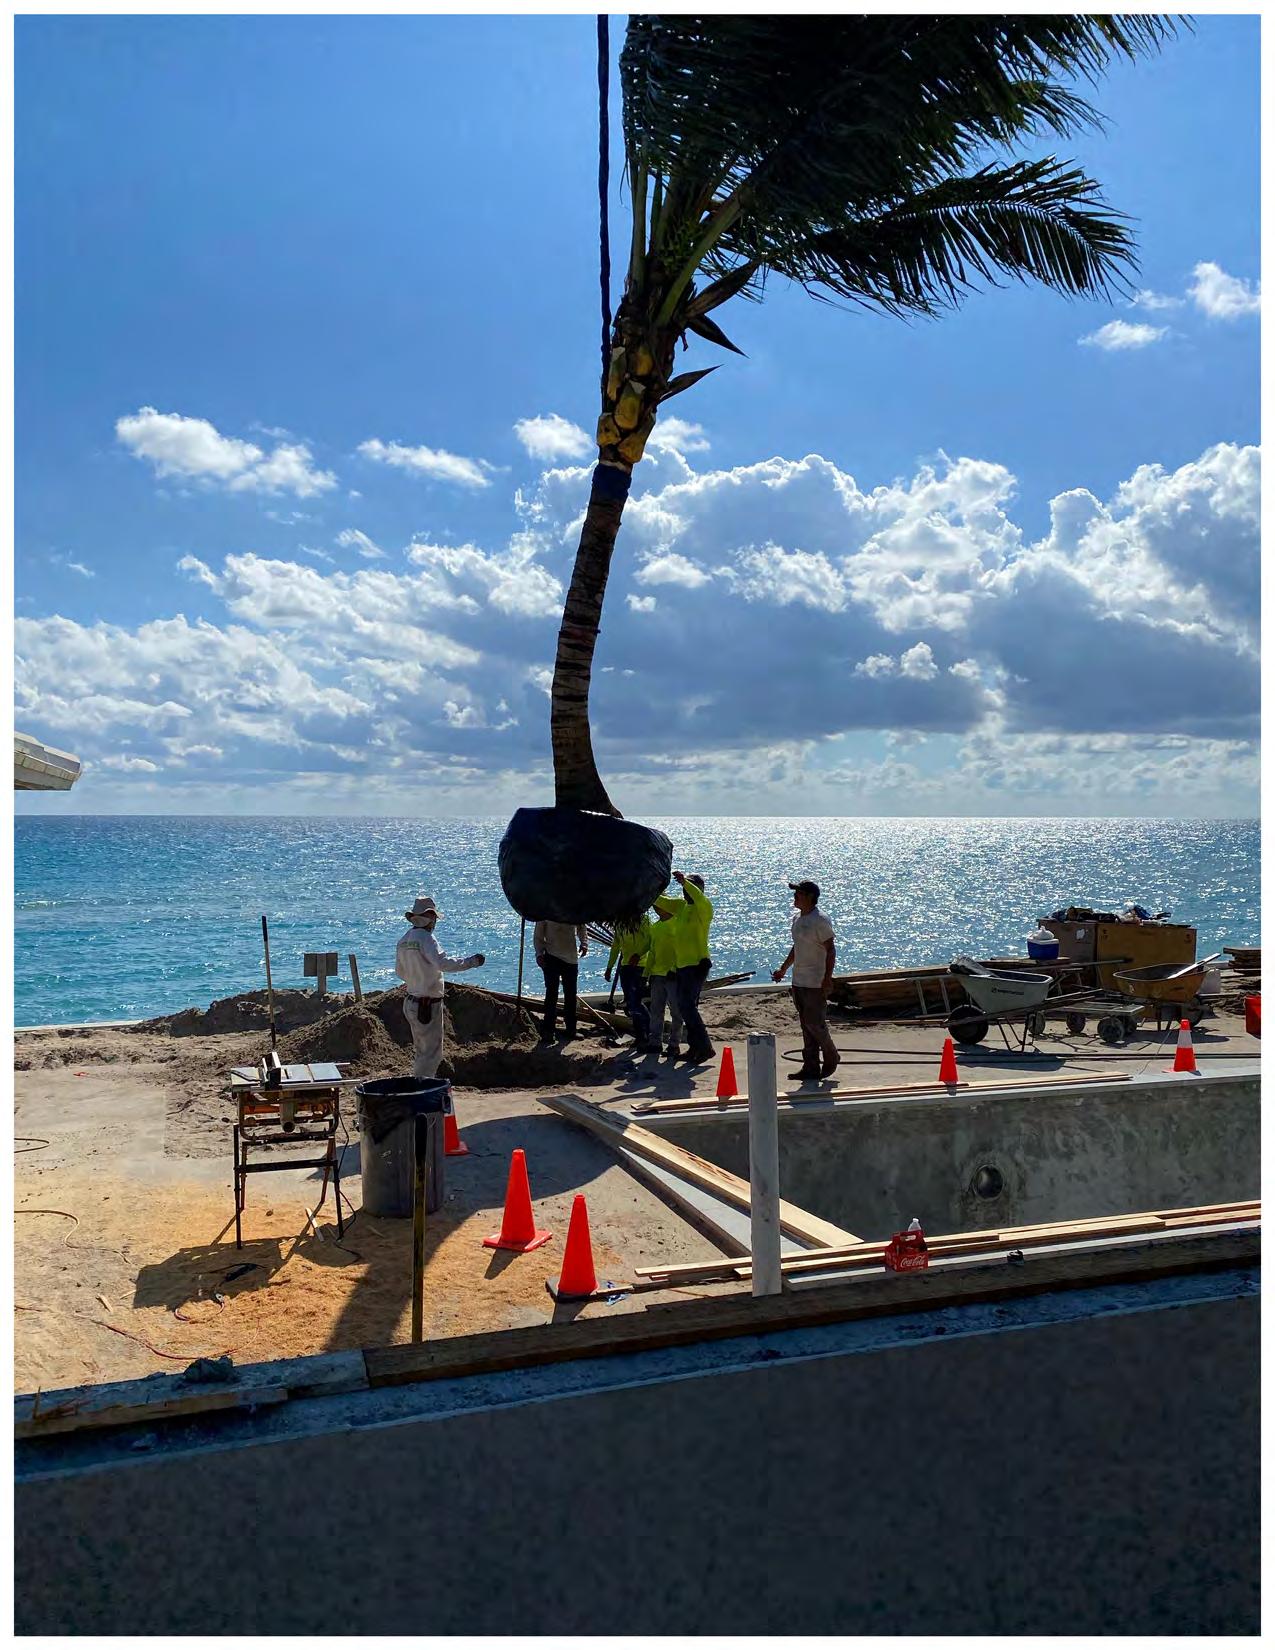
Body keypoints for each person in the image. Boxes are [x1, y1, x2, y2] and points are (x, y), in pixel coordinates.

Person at [395, 896, 485, 1079]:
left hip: (411, 1001)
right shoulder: (426, 938)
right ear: (430, 917)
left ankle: (419, 1084)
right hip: (426, 1005)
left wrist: (417, 979)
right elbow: (442, 963)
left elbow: (400, 972)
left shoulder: (404, 940)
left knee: (422, 1051)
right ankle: (423, 1089)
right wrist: (471, 962)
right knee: (431, 1055)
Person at [771, 879, 838, 1082]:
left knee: (814, 1023)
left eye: (799, 893)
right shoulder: (797, 919)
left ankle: (831, 1055)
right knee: (805, 1026)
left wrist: (827, 979)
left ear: (810, 897)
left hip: (815, 982)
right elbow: (797, 947)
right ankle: (810, 1067)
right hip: (798, 980)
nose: (795, 897)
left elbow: (831, 950)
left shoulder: (820, 920)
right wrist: (783, 969)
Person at [654, 871, 714, 1066]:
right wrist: (650, 887)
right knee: (685, 1007)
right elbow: (661, 901)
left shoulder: (703, 907)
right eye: (686, 888)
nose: (686, 891)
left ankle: (705, 1046)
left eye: (691, 887)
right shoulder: (681, 907)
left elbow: (697, 896)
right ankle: (695, 1047)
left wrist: (685, 882)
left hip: (697, 964)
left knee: (687, 1006)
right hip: (681, 966)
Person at [533, 918, 588, 1044]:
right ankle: (548, 1030)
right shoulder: (546, 911)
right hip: (551, 956)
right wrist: (539, 954)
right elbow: (538, 935)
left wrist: (584, 943)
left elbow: (582, 927)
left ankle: (571, 1029)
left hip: (571, 957)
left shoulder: (573, 910)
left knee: (571, 995)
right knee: (551, 993)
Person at [605, 914, 652, 1053]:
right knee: (631, 1004)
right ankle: (640, 1035)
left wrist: (639, 954)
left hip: (640, 965)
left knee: (636, 1001)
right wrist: (609, 967)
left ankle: (647, 1034)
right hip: (626, 966)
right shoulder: (619, 923)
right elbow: (616, 946)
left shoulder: (643, 919)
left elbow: (650, 941)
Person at [643, 900, 684, 1059]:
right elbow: (652, 953)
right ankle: (655, 1042)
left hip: (673, 975)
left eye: (659, 905)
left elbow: (681, 949)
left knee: (676, 1012)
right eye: (655, 906)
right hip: (657, 974)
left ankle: (674, 1044)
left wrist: (675, 969)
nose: (656, 908)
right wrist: (646, 974)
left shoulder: (677, 924)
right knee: (656, 1010)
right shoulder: (655, 927)